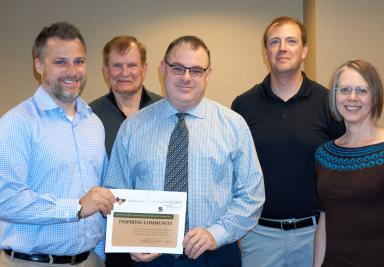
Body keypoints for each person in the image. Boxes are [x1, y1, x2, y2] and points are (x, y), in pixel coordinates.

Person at [103, 35, 265, 267]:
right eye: (178, 68)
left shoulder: (233, 125)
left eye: (196, 70)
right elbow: (115, 192)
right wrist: (130, 240)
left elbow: (252, 195)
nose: (187, 78)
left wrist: (216, 233)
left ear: (208, 74)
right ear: (162, 69)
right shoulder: (133, 128)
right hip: (152, 258)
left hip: (215, 254)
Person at [231, 16, 344, 267]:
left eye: (291, 41)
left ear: (304, 50)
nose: (282, 48)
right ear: (266, 52)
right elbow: (235, 173)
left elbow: (342, 169)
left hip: (314, 235)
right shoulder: (243, 105)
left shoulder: (328, 103)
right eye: (275, 42)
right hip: (258, 236)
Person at [0, 21, 115, 266]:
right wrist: (75, 207)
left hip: (90, 260)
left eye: (79, 61)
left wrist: (106, 254)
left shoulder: (93, 123)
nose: (72, 71)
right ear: (39, 65)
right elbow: (6, 199)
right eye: (60, 62)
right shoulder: (16, 124)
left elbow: (102, 198)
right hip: (33, 262)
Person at [313, 59, 384, 267]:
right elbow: (324, 222)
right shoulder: (324, 154)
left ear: (375, 96)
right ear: (334, 96)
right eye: (344, 89)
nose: (352, 97)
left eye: (362, 90)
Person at [90, 35, 162, 157]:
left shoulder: (165, 110)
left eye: (132, 65)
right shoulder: (90, 116)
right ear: (106, 71)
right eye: (117, 66)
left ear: (144, 69)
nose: (125, 73)